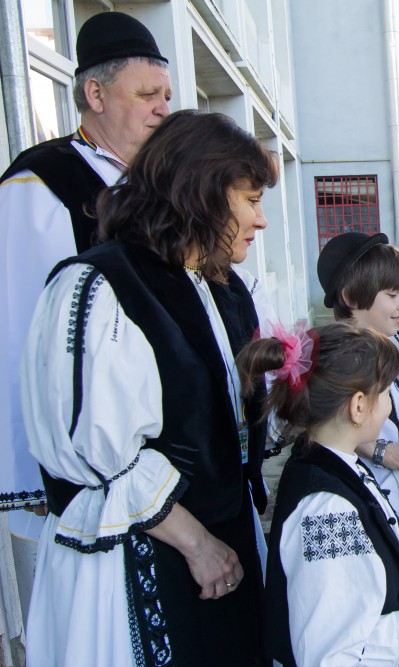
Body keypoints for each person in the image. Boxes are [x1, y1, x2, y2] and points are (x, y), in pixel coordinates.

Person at [19, 110, 277, 666]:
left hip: (224, 545)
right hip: (141, 557)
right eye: (252, 200)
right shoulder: (101, 285)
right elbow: (96, 455)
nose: (261, 220)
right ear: (202, 193)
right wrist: (196, 543)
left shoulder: (223, 289)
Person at [0, 12, 171, 570]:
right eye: (146, 94)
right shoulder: (41, 184)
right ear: (95, 94)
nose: (162, 109)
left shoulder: (156, 184)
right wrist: (35, 473)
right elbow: (20, 331)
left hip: (160, 448)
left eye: (166, 96)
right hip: (87, 459)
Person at [235, 322, 399, 666]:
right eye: (387, 393)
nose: (390, 405)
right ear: (358, 406)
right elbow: (330, 655)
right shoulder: (327, 511)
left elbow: (352, 564)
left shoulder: (327, 460)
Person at [316, 232, 399, 522]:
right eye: (392, 294)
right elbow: (323, 428)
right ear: (350, 296)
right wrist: (380, 451)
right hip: (371, 506)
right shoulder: (336, 362)